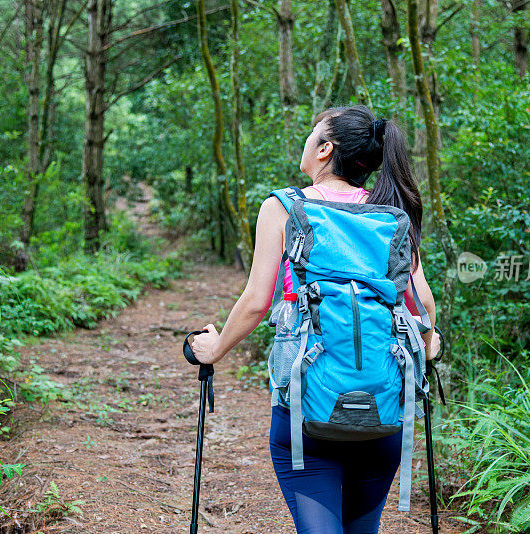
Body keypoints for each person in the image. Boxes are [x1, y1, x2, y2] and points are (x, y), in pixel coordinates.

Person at [190, 104, 440, 533]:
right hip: (383, 413)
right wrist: (430, 342)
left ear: (325, 149)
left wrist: (214, 348)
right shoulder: (389, 216)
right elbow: (424, 308)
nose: (307, 141)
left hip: (308, 414)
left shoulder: (285, 207)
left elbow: (255, 302)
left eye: (312, 133)